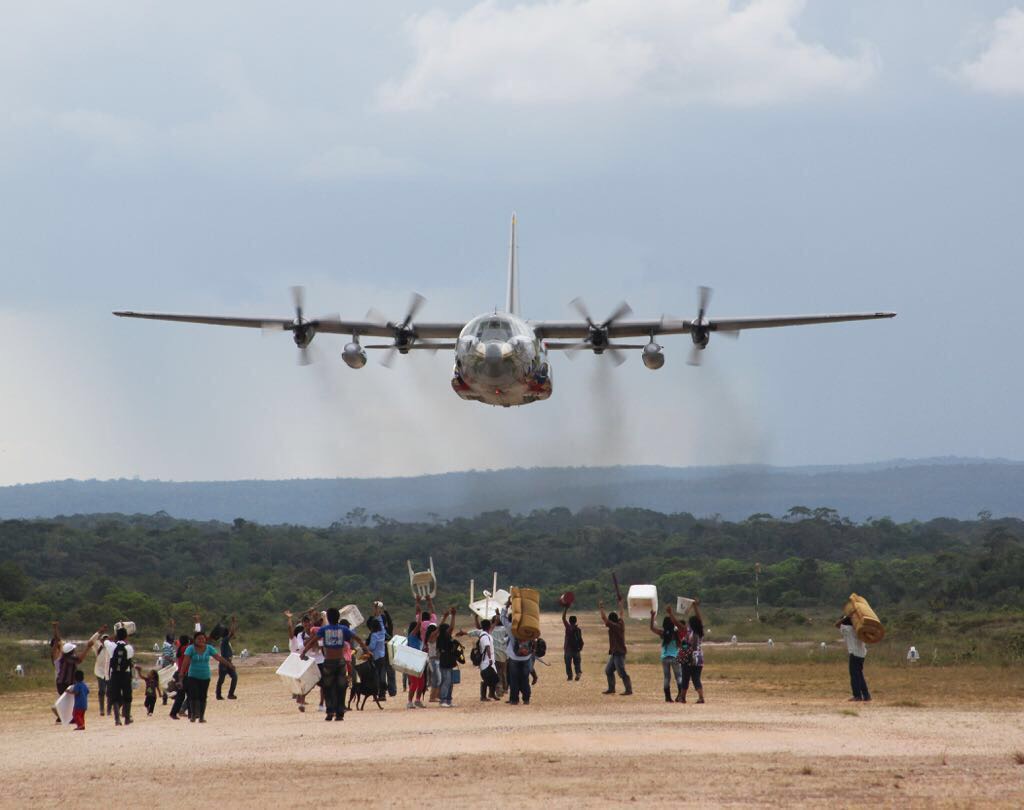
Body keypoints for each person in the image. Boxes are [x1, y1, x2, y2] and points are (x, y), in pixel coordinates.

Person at [300, 607, 369, 722]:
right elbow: (357, 638)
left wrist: (303, 652)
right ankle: (339, 713)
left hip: (328, 663)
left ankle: (330, 712)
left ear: (328, 618)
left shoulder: (324, 630)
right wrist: (366, 649)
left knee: (328, 688)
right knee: (341, 688)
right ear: (338, 618)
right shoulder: (343, 629)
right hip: (340, 662)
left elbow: (312, 641)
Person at [180, 630, 234, 723]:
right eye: (199, 639)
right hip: (193, 676)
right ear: (195, 640)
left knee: (203, 696)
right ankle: (193, 715)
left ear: (205, 639)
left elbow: (218, 657)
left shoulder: (209, 648)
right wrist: (181, 674)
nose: (201, 640)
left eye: (203, 638)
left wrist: (229, 664)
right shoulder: (190, 648)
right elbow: (185, 662)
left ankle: (201, 717)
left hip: (205, 676)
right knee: (194, 696)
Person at [668, 599, 706, 704]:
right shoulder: (700, 632)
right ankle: (701, 697)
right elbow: (700, 619)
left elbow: (676, 623)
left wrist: (670, 613)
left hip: (688, 657)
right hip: (698, 658)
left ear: (691, 624)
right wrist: (695, 607)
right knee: (696, 678)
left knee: (685, 677)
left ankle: (682, 697)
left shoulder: (687, 631)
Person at [500, 602, 533, 705]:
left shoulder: (511, 628)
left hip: (514, 658)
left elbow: (502, 619)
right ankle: (526, 699)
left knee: (514, 679)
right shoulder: (528, 628)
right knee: (525, 679)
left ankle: (514, 700)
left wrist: (506, 606)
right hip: (526, 657)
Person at [599, 598, 632, 696]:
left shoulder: (615, 626)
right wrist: (621, 605)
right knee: (608, 670)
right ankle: (611, 688)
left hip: (619, 653)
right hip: (615, 652)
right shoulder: (620, 623)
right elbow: (621, 614)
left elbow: (604, 618)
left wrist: (601, 607)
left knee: (621, 672)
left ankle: (629, 689)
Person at [104, 626, 135, 726]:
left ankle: (117, 719)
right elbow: (130, 657)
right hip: (125, 674)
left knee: (115, 697)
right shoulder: (129, 648)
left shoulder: (112, 646)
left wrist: (114, 636)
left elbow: (105, 640)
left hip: (115, 674)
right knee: (127, 696)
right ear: (126, 637)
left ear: (117, 636)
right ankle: (127, 718)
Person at [836, 614, 871, 702]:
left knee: (854, 675)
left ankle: (857, 695)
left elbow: (837, 625)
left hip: (854, 653)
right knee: (859, 675)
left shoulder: (847, 630)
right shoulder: (859, 629)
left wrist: (845, 618)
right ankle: (866, 695)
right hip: (862, 654)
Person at [650, 609, 682, 703]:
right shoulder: (675, 633)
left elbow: (652, 628)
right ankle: (680, 694)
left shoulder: (663, 633)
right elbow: (679, 645)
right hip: (675, 657)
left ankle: (668, 697)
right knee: (678, 676)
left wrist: (652, 616)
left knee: (667, 677)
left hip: (664, 658)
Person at [436, 607, 462, 708]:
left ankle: (448, 700)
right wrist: (453, 616)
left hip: (449, 660)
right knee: (446, 680)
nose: (449, 630)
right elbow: (451, 628)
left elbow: (448, 628)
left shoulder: (444, 637)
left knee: (450, 681)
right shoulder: (443, 637)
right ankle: (443, 700)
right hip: (445, 660)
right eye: (447, 629)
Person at [372, 601, 397, 699]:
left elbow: (375, 619)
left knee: (382, 672)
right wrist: (384, 610)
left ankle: (382, 692)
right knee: (390, 671)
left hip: (381, 651)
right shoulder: (388, 628)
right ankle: (392, 691)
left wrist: (377, 610)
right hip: (389, 650)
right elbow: (389, 621)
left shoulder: (376, 630)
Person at [168, 634, 192, 720]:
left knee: (181, 695)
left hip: (180, 673)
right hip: (185, 674)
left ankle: (174, 713)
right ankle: (190, 713)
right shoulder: (186, 649)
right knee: (190, 694)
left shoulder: (180, 648)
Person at [404, 620, 427, 709]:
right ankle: (409, 702)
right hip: (412, 661)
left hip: (419, 661)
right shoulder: (412, 636)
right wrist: (420, 614)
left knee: (422, 683)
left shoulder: (418, 638)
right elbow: (418, 625)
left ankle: (417, 700)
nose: (420, 629)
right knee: (414, 683)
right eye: (419, 628)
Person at [215, 615, 238, 701]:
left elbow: (232, 633)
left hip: (227, 662)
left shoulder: (225, 641)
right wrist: (233, 623)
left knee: (231, 678)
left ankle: (228, 694)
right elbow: (232, 633)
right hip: (225, 662)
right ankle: (220, 695)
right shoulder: (225, 640)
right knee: (222, 679)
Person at [367, 617, 389, 701]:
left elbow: (372, 647)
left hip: (376, 658)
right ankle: (382, 694)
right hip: (382, 657)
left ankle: (377, 694)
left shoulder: (374, 635)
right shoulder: (382, 633)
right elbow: (382, 624)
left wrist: (366, 648)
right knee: (382, 675)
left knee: (376, 677)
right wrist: (377, 612)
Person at [490, 610, 509, 698]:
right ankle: (505, 688)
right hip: (504, 655)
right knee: (504, 672)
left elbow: (479, 630)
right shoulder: (505, 629)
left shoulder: (491, 630)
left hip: (494, 656)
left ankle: (499, 691)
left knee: (497, 673)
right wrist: (499, 615)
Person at [562, 606, 583, 681]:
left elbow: (563, 618)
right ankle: (578, 673)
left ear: (570, 621)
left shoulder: (568, 627)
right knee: (577, 663)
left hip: (568, 649)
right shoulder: (578, 629)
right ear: (575, 621)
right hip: (577, 649)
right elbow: (580, 639)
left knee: (568, 664)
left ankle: (570, 676)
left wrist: (566, 608)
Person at [93, 632, 111, 716]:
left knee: (109, 691)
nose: (106, 640)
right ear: (101, 640)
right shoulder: (98, 647)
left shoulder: (110, 648)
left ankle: (109, 709)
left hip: (108, 672)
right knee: (102, 690)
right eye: (104, 639)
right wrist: (98, 632)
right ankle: (101, 709)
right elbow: (91, 640)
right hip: (99, 672)